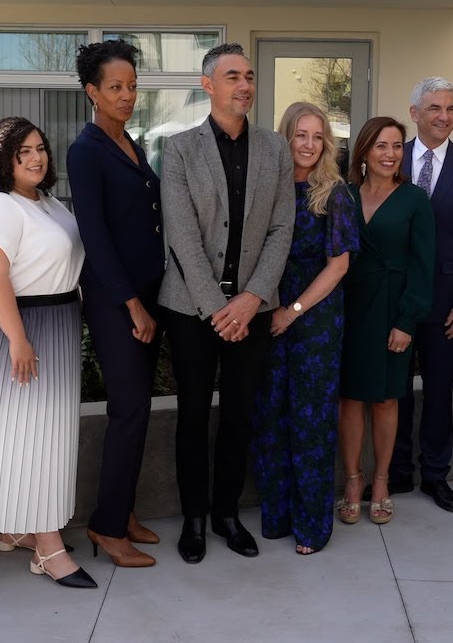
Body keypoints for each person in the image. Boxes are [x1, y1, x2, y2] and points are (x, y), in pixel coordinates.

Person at [158, 42, 294, 563]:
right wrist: (218, 306)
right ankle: (193, 519)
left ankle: (226, 513)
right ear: (208, 84)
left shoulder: (274, 148)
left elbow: (283, 226)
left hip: (254, 309)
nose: (244, 85)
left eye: (250, 75)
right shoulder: (180, 149)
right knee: (193, 413)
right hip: (192, 308)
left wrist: (252, 297)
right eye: (232, 76)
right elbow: (182, 233)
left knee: (239, 415)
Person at [0, 116, 96, 588]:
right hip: (17, 328)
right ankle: (48, 548)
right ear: (2, 159)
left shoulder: (47, 202)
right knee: (32, 442)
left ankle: (17, 530)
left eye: (39, 148)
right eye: (23, 152)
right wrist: (18, 338)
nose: (36, 157)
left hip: (54, 324)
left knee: (43, 440)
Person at [67, 39, 162, 568]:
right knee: (127, 410)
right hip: (114, 301)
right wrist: (133, 305)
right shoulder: (85, 150)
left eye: (131, 86)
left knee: (139, 409)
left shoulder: (131, 142)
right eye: (115, 87)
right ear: (92, 92)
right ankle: (106, 527)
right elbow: (96, 237)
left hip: (146, 294)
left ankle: (122, 510)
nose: (127, 95)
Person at [254, 101, 358, 555]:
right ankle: (277, 516)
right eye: (301, 135)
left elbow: (339, 266)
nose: (310, 145)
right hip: (266, 314)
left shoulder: (334, 193)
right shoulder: (270, 188)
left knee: (312, 421)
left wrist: (291, 310)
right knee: (271, 416)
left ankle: (312, 526)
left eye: (318, 137)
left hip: (313, 319)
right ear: (286, 137)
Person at [385, 77, 453, 513]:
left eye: (450, 108)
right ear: (414, 113)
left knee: (440, 390)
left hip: (448, 304)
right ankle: (396, 471)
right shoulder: (390, 158)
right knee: (396, 389)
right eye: (434, 108)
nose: (444, 116)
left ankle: (434, 474)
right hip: (395, 300)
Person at [338, 116, 435, 526]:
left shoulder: (414, 200)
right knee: (350, 397)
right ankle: (352, 481)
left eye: (397, 146)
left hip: (394, 310)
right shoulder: (344, 195)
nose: (390, 154)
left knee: (385, 399)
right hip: (348, 308)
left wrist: (407, 321)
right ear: (364, 150)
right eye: (381, 145)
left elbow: (423, 266)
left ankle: (380, 482)